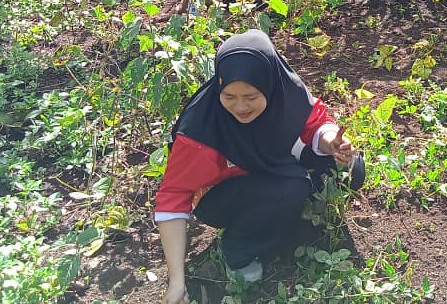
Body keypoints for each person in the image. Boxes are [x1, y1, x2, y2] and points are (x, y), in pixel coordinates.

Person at [155, 30, 365, 304]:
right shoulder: (199, 134)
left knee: (350, 169)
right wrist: (176, 281)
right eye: (229, 96)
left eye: (251, 96)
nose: (240, 106)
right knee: (292, 186)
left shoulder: (285, 91)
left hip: (269, 165)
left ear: (269, 83)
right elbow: (173, 199)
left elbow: (313, 123)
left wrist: (332, 144)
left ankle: (288, 215)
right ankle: (238, 248)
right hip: (222, 197)